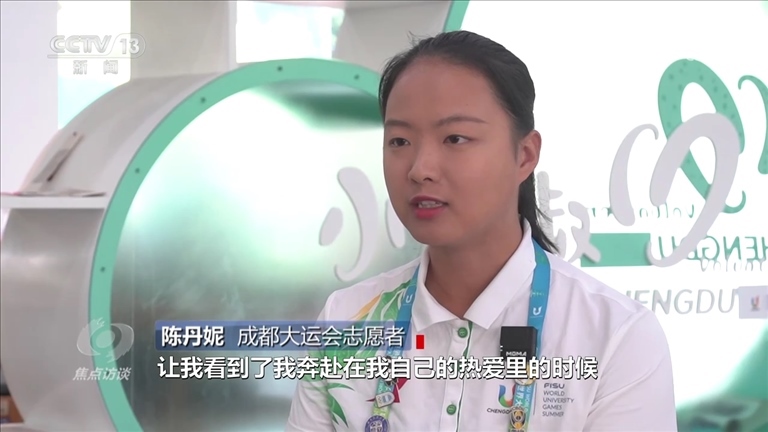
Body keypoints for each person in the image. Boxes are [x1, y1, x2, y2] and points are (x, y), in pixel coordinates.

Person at [286, 30, 677, 432]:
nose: (420, 169)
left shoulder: (615, 336)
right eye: (399, 140)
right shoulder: (346, 321)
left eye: (455, 138)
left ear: (524, 155)